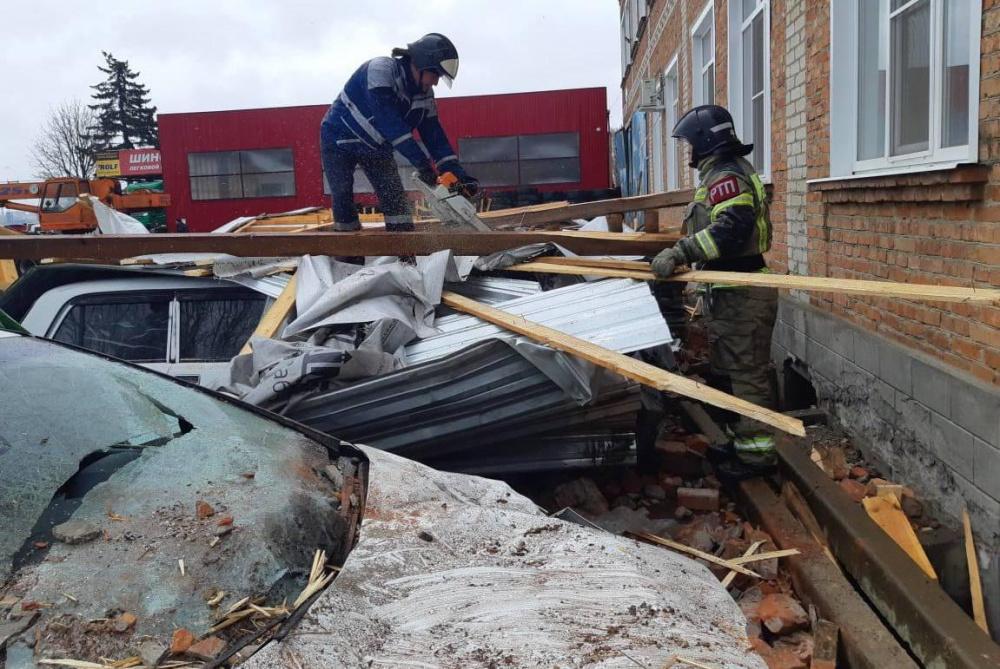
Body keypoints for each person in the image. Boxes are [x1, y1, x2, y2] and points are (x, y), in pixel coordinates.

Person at [651, 104, 777, 477]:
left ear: (706, 141)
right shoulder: (721, 175)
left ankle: (757, 459)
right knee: (729, 371)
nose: (688, 150)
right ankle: (739, 444)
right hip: (729, 292)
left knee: (746, 375)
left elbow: (730, 229)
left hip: (743, 291)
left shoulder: (727, 177)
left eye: (690, 142)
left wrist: (681, 253)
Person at [320, 33, 477, 236]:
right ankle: (347, 260)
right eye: (435, 75)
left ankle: (405, 258)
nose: (436, 82)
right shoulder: (380, 71)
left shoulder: (425, 95)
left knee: (394, 198)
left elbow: (435, 138)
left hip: (377, 146)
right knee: (342, 195)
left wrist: (459, 175)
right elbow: (390, 123)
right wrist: (422, 164)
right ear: (421, 65)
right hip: (339, 138)